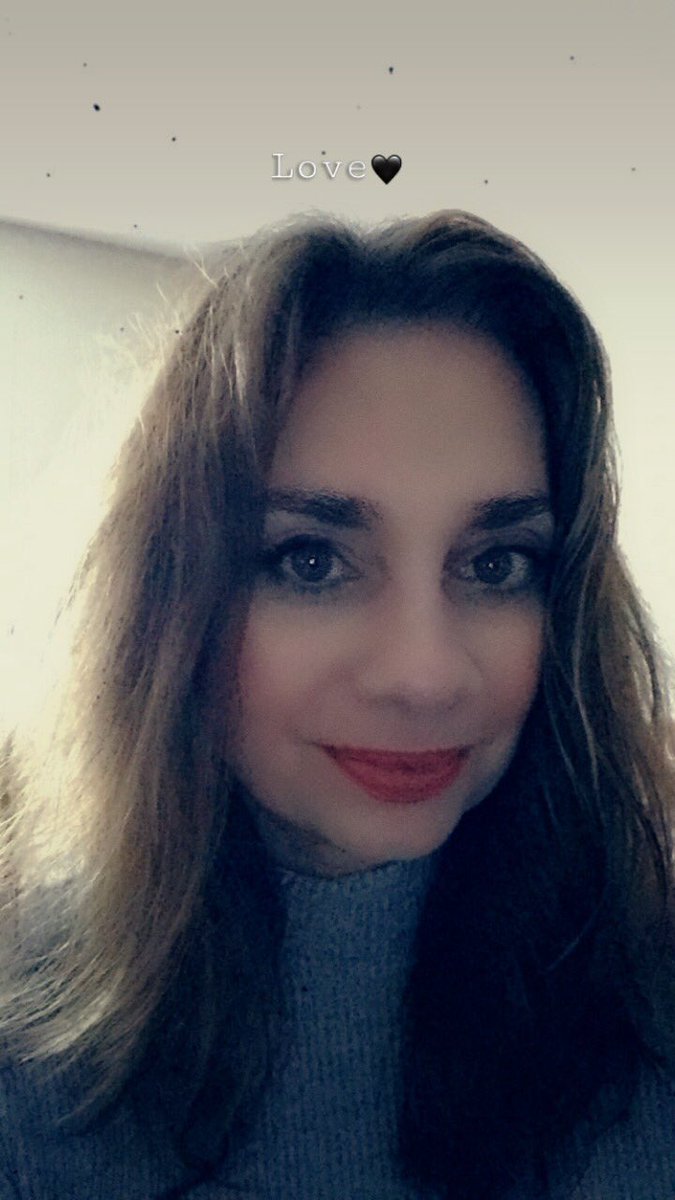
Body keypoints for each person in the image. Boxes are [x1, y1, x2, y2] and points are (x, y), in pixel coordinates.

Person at [1, 209, 674, 1200]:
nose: (424, 676)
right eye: (310, 560)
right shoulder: (27, 1062)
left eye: (496, 563)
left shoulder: (649, 1011)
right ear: (168, 601)